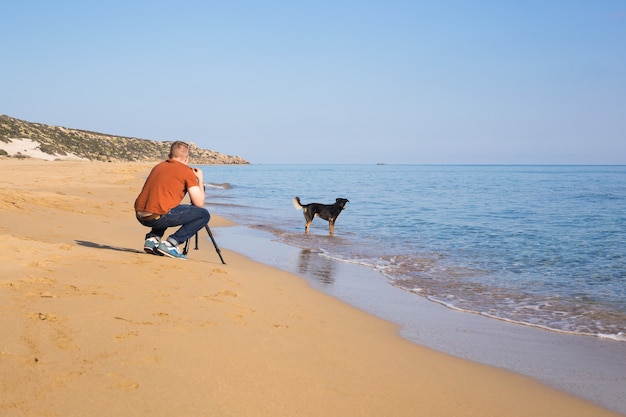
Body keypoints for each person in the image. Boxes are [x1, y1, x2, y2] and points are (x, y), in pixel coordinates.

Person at [134, 141, 210, 259]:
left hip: (140, 214)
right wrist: (200, 179)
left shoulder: (159, 166)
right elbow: (199, 203)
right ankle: (171, 243)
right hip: (156, 217)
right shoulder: (186, 171)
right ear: (186, 159)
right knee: (203, 215)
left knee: (166, 203)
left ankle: (153, 239)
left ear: (169, 156)